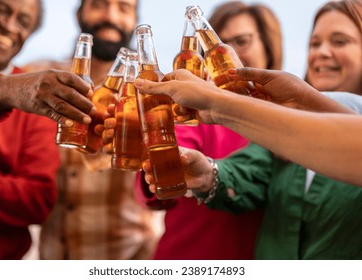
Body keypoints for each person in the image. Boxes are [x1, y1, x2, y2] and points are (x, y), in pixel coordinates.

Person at [133, 0, 362, 259]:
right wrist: (206, 174)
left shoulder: (279, 123)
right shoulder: (273, 127)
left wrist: (221, 104)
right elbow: (247, 173)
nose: (321, 52)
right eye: (314, 43)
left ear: (268, 48)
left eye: (340, 41)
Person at [131, 1, 283, 259]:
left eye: (242, 41)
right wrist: (157, 149)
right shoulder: (198, 115)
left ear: (269, 48)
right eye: (216, 46)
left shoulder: (289, 119)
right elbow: (156, 192)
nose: (227, 55)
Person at [23, 0, 159, 260]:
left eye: (124, 7)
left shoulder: (148, 93)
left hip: (126, 257)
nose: (111, 16)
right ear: (79, 13)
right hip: (51, 256)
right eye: (99, 4)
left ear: (134, 19)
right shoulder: (41, 77)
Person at [0, 0, 93, 260]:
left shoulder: (38, 100)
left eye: (23, 22)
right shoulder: (29, 90)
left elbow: (36, 200)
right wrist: (4, 89)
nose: (8, 25)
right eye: (0, 10)